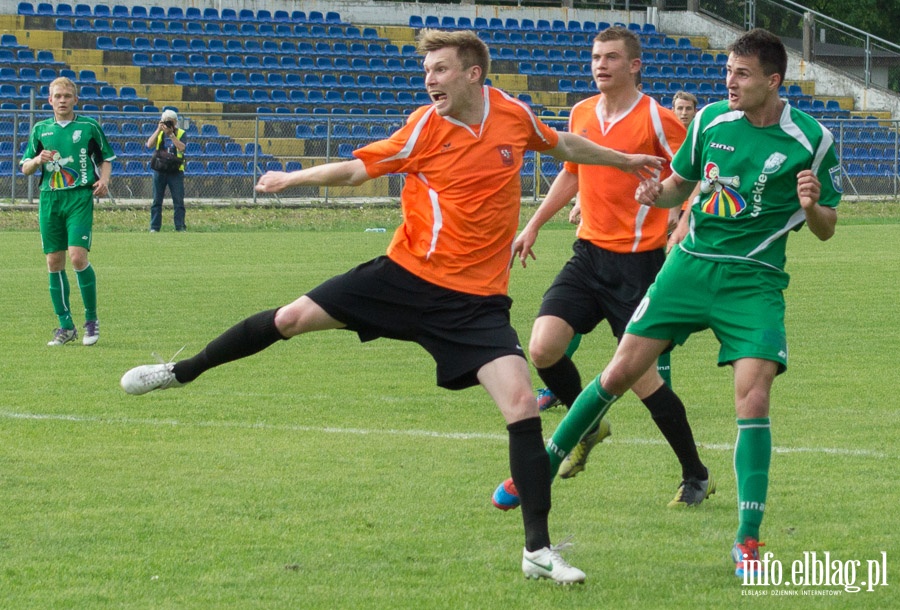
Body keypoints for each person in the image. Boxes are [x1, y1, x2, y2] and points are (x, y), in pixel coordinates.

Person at [119, 29, 663, 585]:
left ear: (474, 74)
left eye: (441, 69)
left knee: (522, 404)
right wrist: (293, 176)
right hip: (404, 277)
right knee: (290, 319)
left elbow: (564, 146)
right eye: (427, 71)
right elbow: (357, 170)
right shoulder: (423, 128)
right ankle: (180, 371)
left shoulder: (512, 116)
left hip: (475, 303)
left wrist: (622, 160)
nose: (430, 79)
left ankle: (537, 551)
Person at [509, 28, 841, 579]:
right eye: (727, 71)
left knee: (753, 398)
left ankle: (747, 540)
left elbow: (827, 227)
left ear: (773, 81)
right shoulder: (710, 121)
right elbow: (675, 187)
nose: (728, 82)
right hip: (686, 267)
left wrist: (811, 206)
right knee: (619, 373)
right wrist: (654, 194)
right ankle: (540, 467)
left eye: (742, 74)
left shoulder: (813, 140)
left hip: (754, 281)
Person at [491, 27, 712, 513]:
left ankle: (696, 473)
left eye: (611, 57)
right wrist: (533, 224)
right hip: (588, 254)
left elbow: (695, 174)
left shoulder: (658, 116)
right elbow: (572, 171)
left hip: (638, 265)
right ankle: (589, 426)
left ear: (634, 65)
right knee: (543, 347)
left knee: (642, 379)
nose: (600, 64)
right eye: (595, 57)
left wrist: (681, 221)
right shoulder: (582, 112)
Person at [20, 76, 114, 346]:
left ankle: (91, 320)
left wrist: (104, 180)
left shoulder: (88, 127)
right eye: (57, 96)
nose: (62, 100)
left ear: (75, 99)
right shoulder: (40, 129)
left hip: (79, 198)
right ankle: (65, 326)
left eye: (67, 96)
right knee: (53, 262)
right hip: (50, 200)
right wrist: (38, 159)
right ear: (50, 100)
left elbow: (105, 158)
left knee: (76, 257)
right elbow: (25, 167)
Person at [668, 91, 701, 251]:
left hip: (696, 207)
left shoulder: (702, 138)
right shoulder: (664, 138)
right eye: (680, 108)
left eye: (688, 109)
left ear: (695, 111)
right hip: (669, 205)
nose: (684, 113)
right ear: (672, 110)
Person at [146, 109, 187, 232]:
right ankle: (154, 227)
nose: (169, 125)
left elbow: (182, 147)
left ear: (175, 122)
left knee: (178, 201)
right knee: (156, 201)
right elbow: (149, 144)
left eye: (171, 122)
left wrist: (171, 135)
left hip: (176, 171)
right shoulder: (159, 132)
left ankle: (180, 227)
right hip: (160, 169)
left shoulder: (181, 133)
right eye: (167, 122)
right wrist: (159, 129)